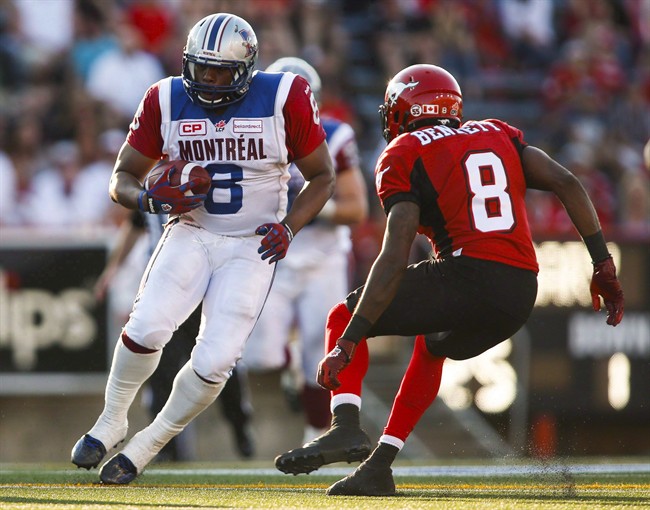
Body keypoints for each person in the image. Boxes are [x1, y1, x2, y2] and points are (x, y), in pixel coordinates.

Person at [274, 64, 625, 496]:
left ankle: (345, 427)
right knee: (431, 345)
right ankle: (379, 467)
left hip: (468, 274)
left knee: (341, 314)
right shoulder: (498, 133)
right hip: (520, 291)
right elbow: (567, 182)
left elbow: (393, 254)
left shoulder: (404, 152)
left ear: (404, 107)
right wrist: (602, 265)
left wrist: (348, 340)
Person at [70, 12, 335, 485]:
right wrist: (148, 198)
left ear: (246, 69)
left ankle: (147, 444)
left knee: (215, 360)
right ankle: (111, 420)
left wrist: (291, 227)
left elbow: (323, 176)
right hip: (191, 230)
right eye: (201, 68)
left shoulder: (283, 95)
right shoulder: (166, 96)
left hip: (252, 244)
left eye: (220, 72)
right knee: (147, 326)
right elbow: (121, 178)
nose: (208, 81)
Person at [243, 57, 368, 444]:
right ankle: (288, 365)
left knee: (322, 350)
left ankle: (316, 435)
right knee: (259, 355)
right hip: (271, 257)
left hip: (322, 256)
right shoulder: (250, 134)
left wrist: (313, 204)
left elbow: (356, 210)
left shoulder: (334, 135)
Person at [94, 210, 255, 460]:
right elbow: (135, 224)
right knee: (161, 370)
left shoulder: (202, 173)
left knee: (217, 364)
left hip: (204, 286)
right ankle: (166, 450)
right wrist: (112, 269)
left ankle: (239, 422)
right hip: (165, 290)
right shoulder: (154, 178)